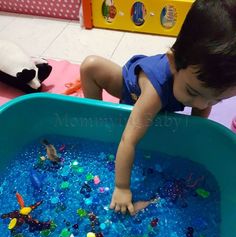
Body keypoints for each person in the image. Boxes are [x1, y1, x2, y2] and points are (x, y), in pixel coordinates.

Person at [80, 0, 236, 215]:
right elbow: (128, 140)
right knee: (91, 65)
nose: (202, 104)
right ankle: (95, 115)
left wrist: (194, 139)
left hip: (161, 97)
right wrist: (122, 187)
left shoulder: (200, 87)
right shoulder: (155, 92)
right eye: (192, 92)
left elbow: (199, 122)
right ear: (173, 63)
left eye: (215, 101)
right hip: (132, 90)